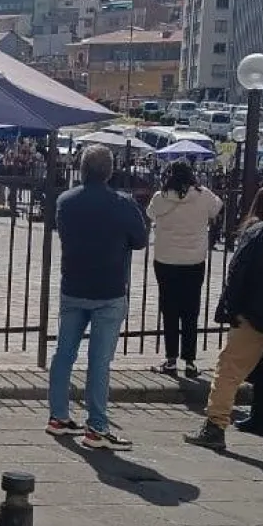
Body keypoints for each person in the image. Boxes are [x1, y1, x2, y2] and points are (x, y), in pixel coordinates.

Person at [185, 182, 263, 461]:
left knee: (228, 372)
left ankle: (215, 426)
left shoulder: (259, 232)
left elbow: (237, 273)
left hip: (255, 318)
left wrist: (230, 310)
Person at [47, 145, 149, 450]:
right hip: (108, 288)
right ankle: (97, 427)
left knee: (63, 354)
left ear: (81, 169)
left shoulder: (66, 201)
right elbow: (141, 240)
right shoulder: (122, 203)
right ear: (110, 171)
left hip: (74, 284)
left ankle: (58, 416)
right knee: (99, 361)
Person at [147, 162, 223, 377]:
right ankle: (189, 360)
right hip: (194, 260)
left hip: (166, 259)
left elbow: (150, 214)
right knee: (191, 310)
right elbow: (218, 207)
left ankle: (171, 358)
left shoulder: (160, 197)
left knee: (169, 309)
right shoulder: (203, 195)